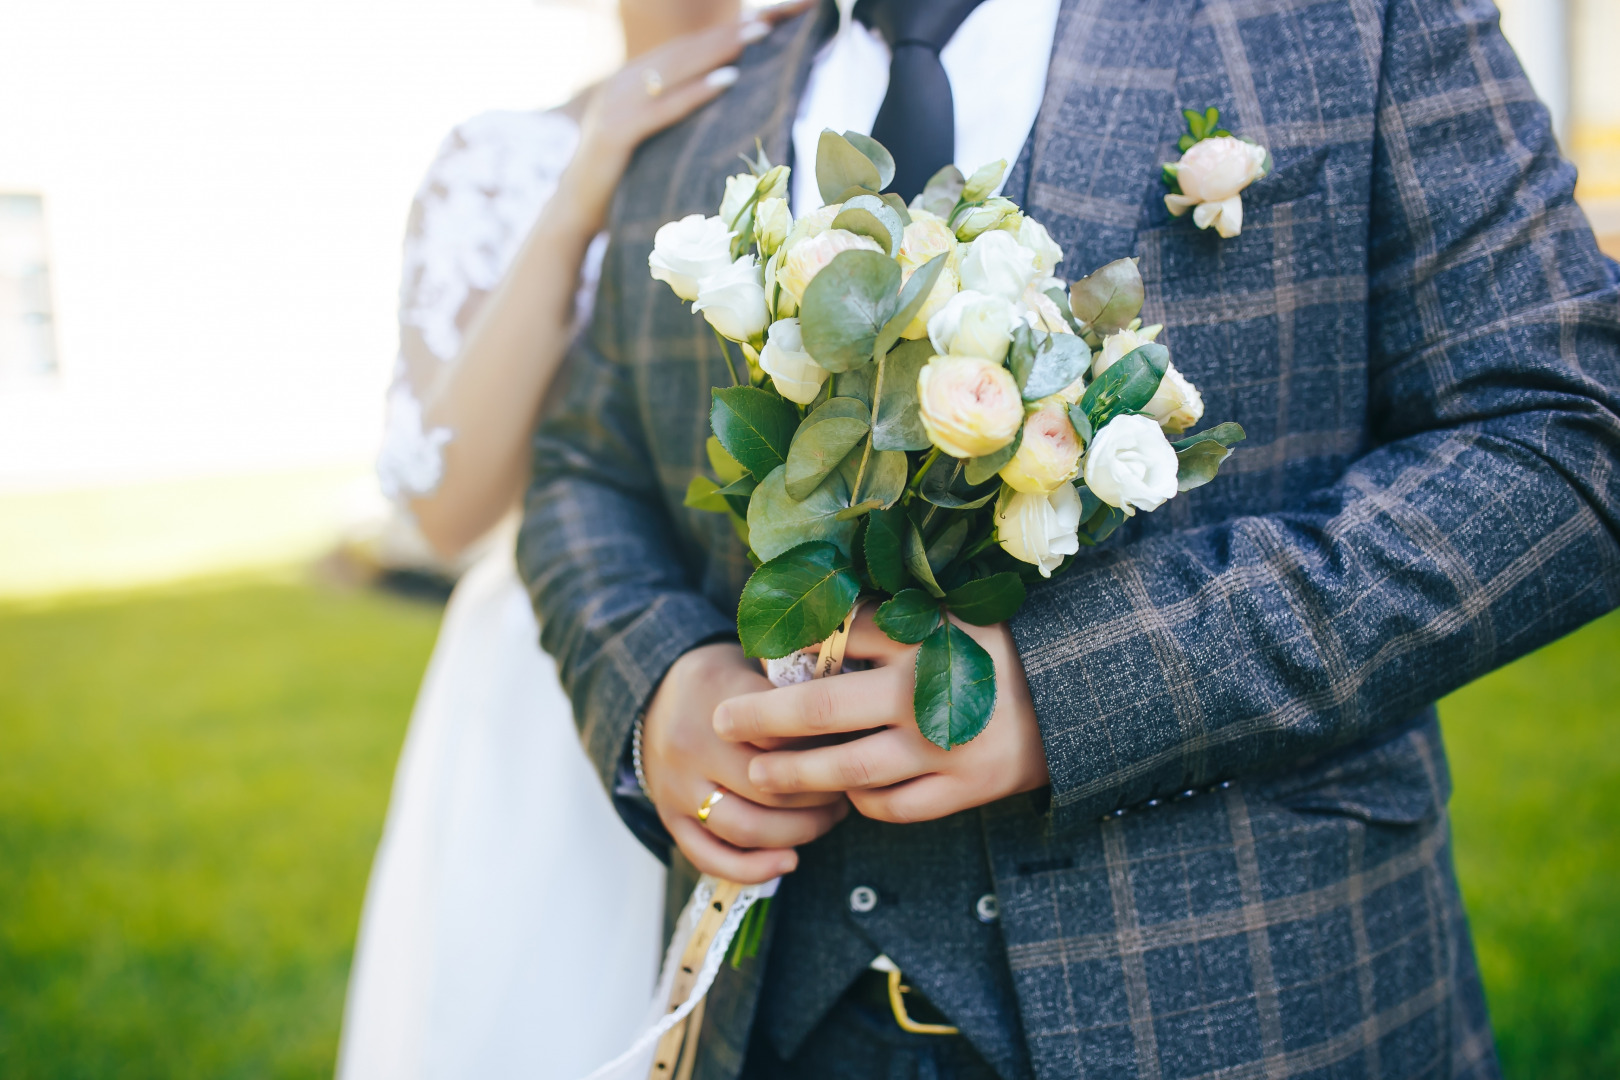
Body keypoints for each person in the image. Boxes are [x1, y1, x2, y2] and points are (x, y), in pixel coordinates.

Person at [519, 0, 1620, 1077]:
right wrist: (659, 681)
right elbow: (585, 466)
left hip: (1253, 1007)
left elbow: (1569, 435)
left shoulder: (1350, 16)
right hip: (775, 1023)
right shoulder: (703, 108)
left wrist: (1079, 689)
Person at [337, 4, 810, 1077]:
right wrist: (586, 186)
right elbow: (447, 509)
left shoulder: (843, 105)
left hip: (774, 665)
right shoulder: (506, 159)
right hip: (552, 680)